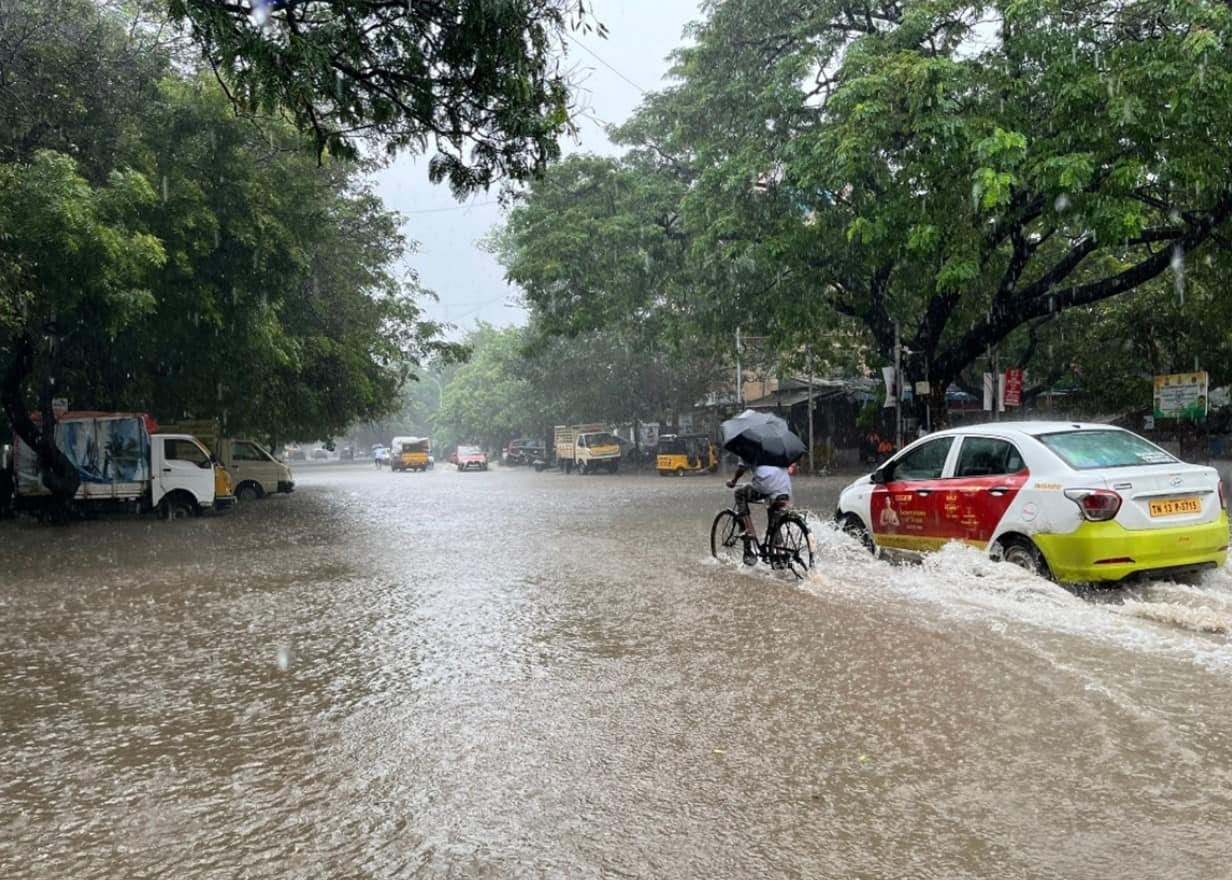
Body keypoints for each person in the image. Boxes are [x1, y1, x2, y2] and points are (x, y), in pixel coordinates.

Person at [726, 459, 793, 563]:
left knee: (739, 493)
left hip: (766, 487)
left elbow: (742, 468)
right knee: (775, 519)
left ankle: (749, 533)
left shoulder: (748, 445)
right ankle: (780, 554)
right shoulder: (777, 448)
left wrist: (733, 481)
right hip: (785, 488)